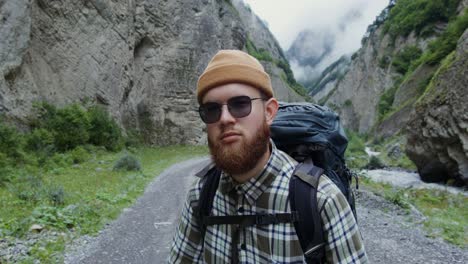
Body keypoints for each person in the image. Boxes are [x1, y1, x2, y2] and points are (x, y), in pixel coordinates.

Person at [168, 50, 367, 263]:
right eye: (211, 109)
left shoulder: (322, 201)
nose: (225, 119)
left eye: (240, 104)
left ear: (269, 112)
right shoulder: (201, 195)